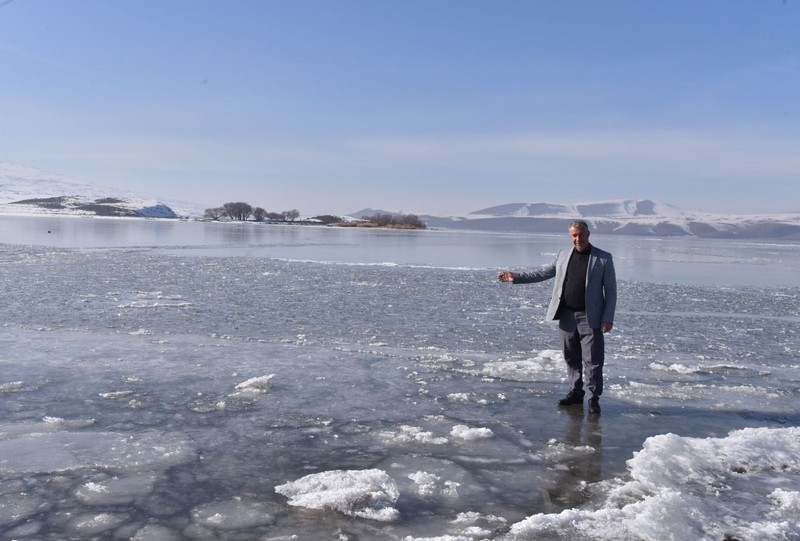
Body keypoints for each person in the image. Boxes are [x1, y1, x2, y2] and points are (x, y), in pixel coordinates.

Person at [498, 220, 616, 415]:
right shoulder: (563, 255)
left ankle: (593, 398)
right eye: (573, 235)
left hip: (590, 316)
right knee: (571, 357)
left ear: (588, 234)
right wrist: (516, 277)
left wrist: (608, 317)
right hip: (566, 314)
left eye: (580, 234)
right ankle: (575, 393)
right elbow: (543, 273)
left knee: (593, 359)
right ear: (570, 236)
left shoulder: (603, 258)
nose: (577, 239)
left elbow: (611, 291)